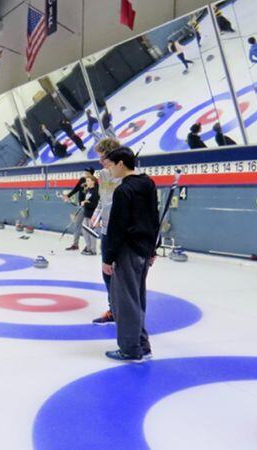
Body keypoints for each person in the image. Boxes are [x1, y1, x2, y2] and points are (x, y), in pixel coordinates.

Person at [102, 147, 159, 362]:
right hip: (144, 250)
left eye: (111, 165)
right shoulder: (148, 184)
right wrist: (153, 248)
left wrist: (108, 257)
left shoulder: (123, 190)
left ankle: (130, 349)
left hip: (128, 251)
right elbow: (154, 219)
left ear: (121, 164)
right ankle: (142, 346)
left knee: (125, 302)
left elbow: (117, 227)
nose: (109, 170)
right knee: (137, 299)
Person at [90, 137, 123, 325]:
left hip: (122, 232)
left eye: (103, 158)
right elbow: (103, 201)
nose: (100, 162)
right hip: (106, 230)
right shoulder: (102, 175)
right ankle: (113, 310)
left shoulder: (127, 174)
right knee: (107, 272)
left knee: (124, 274)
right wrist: (96, 214)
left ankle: (126, 312)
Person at [62, 168, 94, 251]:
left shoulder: (93, 182)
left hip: (89, 207)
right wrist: (68, 196)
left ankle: (90, 246)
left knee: (88, 228)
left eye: (87, 172)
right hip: (81, 207)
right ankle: (75, 244)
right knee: (77, 225)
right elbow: (76, 189)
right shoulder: (82, 180)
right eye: (85, 172)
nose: (85, 173)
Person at [80, 176, 100, 256]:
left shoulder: (96, 191)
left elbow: (95, 205)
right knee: (85, 232)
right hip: (86, 214)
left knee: (92, 233)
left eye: (88, 180)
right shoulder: (88, 190)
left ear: (93, 181)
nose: (86, 182)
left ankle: (93, 250)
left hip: (93, 216)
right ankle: (88, 247)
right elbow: (87, 201)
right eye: (86, 181)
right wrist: (84, 202)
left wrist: (85, 203)